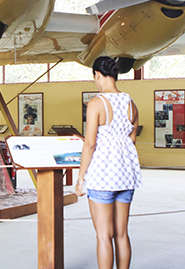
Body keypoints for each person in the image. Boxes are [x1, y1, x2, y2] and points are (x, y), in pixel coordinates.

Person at [75, 56, 142, 269]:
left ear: (97, 75)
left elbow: (90, 145)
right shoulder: (131, 104)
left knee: (104, 236)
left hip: (102, 175)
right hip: (126, 175)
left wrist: (80, 179)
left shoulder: (96, 104)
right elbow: (131, 140)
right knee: (121, 233)